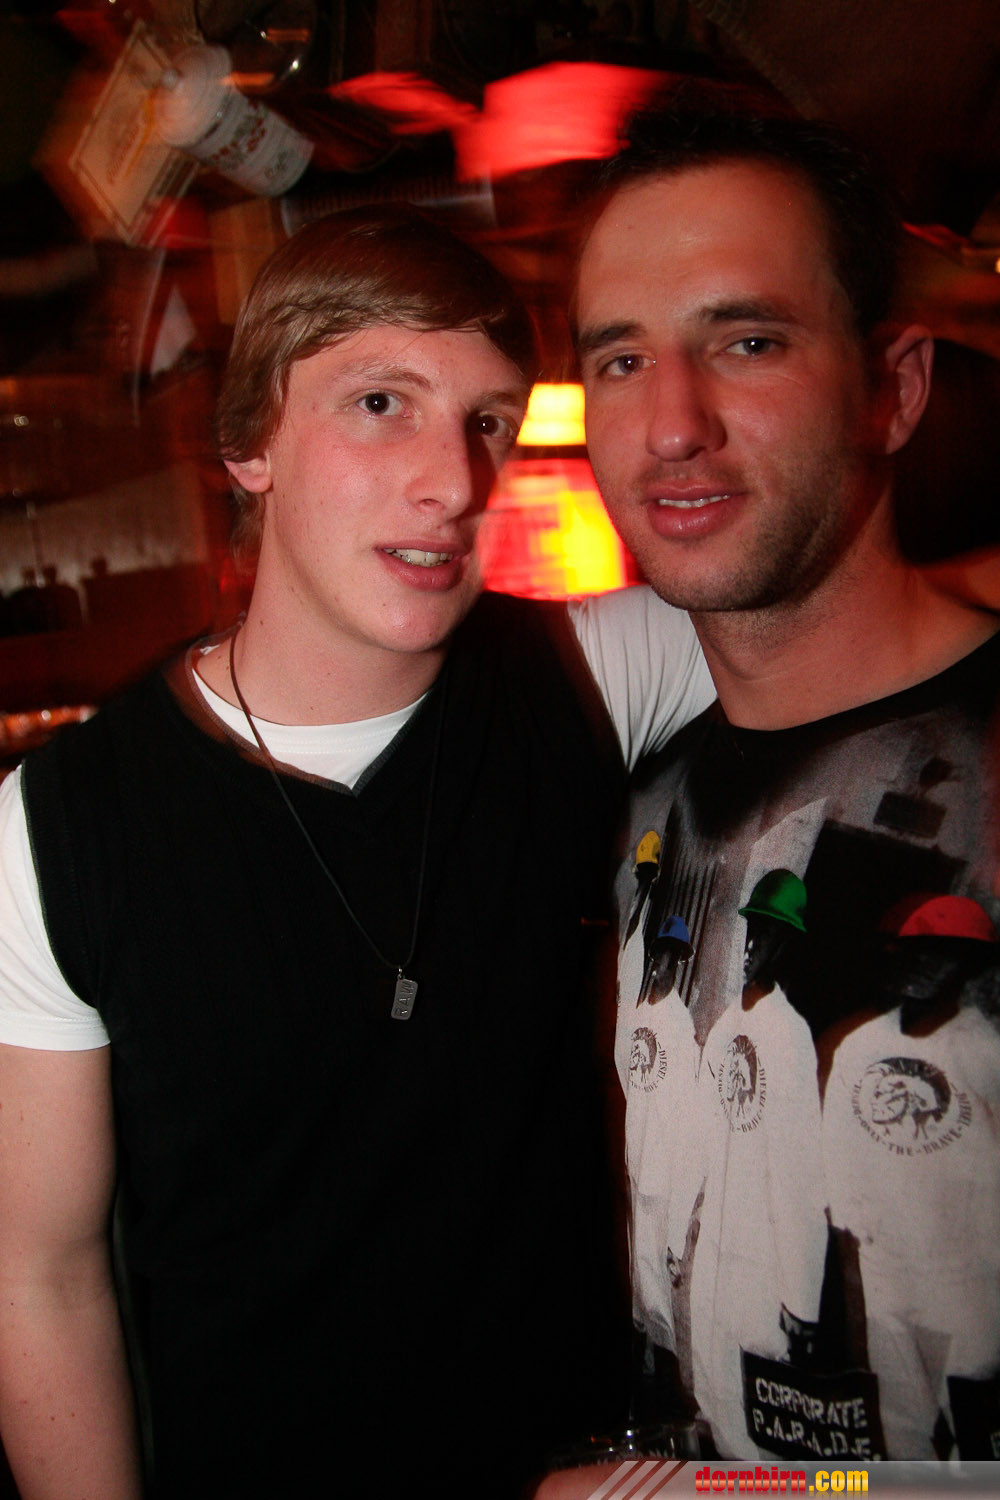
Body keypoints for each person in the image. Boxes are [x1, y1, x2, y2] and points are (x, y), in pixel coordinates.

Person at [0, 206, 714, 1498]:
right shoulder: (56, 825)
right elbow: (39, 1277)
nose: (454, 482)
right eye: (382, 404)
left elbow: (859, 611)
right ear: (249, 444)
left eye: (488, 422)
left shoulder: (584, 673)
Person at [574, 94, 1000, 1462]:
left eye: (747, 341)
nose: (672, 425)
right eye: (620, 360)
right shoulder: (616, 806)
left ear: (894, 390)